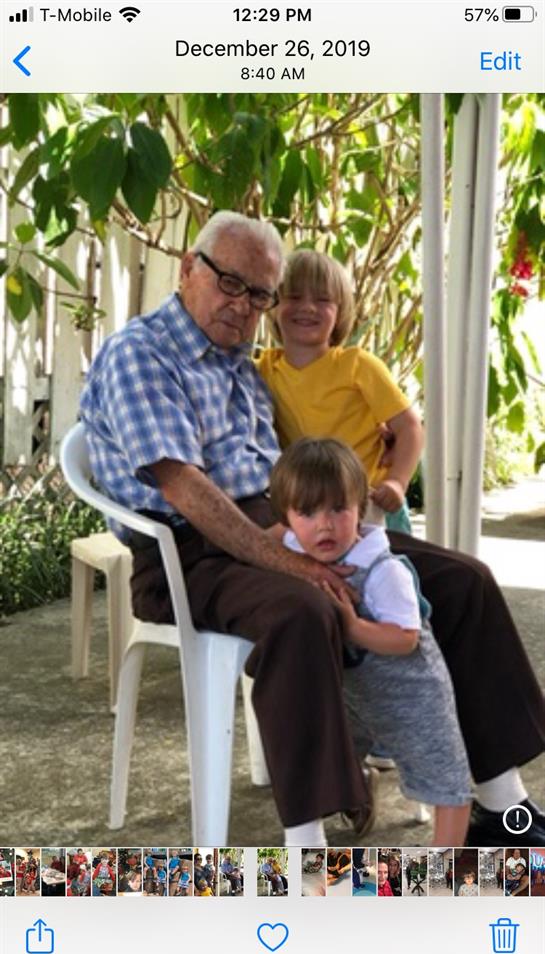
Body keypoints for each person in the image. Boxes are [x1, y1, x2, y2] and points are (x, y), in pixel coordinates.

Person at [80, 210, 545, 846]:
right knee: (306, 608)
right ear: (189, 269)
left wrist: (328, 518)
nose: (243, 305)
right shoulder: (142, 353)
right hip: (189, 555)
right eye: (230, 283)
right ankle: (308, 848)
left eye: (259, 295)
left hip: (290, 526)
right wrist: (295, 562)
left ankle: (504, 808)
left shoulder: (240, 360)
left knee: (464, 581)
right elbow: (184, 488)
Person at [270, 437, 472, 845]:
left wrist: (352, 626)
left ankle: (446, 867)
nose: (324, 525)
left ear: (360, 508)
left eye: (337, 509)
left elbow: (405, 639)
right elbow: (267, 542)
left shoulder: (383, 571)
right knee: (325, 759)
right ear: (287, 519)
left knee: (447, 783)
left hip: (412, 697)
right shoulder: (295, 546)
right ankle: (357, 789)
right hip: (353, 697)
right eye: (306, 512)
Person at [258, 249, 423, 535]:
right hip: (310, 511)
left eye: (322, 300)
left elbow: (410, 427)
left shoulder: (358, 365)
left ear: (340, 311)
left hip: (371, 505)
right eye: (294, 297)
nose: (308, 307)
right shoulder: (263, 369)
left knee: (390, 565)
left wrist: (397, 481)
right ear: (272, 305)